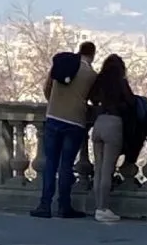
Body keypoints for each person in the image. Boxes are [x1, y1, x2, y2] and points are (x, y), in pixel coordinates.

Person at [32, 41, 96, 219]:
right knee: (66, 164)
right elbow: (94, 98)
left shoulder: (62, 65)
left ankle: (45, 205)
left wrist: (54, 103)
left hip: (53, 117)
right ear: (92, 55)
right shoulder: (91, 74)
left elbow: (47, 87)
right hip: (75, 121)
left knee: (50, 163)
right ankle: (64, 206)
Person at [86, 55, 136, 223]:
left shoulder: (100, 81)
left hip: (99, 123)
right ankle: (103, 208)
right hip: (114, 123)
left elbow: (92, 98)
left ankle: (97, 206)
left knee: (98, 169)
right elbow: (131, 102)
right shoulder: (120, 82)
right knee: (107, 169)